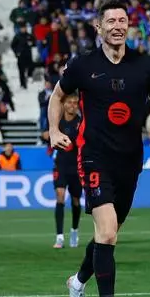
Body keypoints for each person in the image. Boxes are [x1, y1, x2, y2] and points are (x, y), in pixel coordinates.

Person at [49, 0, 150, 297]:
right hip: (93, 156)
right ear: (99, 27)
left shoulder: (145, 65)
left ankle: (77, 282)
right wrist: (54, 130)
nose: (118, 26)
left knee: (107, 235)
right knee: (107, 233)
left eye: (123, 21)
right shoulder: (83, 65)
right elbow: (57, 96)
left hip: (130, 161)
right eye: (111, 21)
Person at [52, 93, 84, 249]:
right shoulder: (57, 122)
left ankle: (74, 231)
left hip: (76, 166)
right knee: (60, 196)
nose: (72, 105)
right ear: (64, 104)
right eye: (70, 102)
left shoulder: (81, 123)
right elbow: (48, 135)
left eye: (75, 103)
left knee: (76, 200)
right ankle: (59, 237)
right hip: (61, 165)